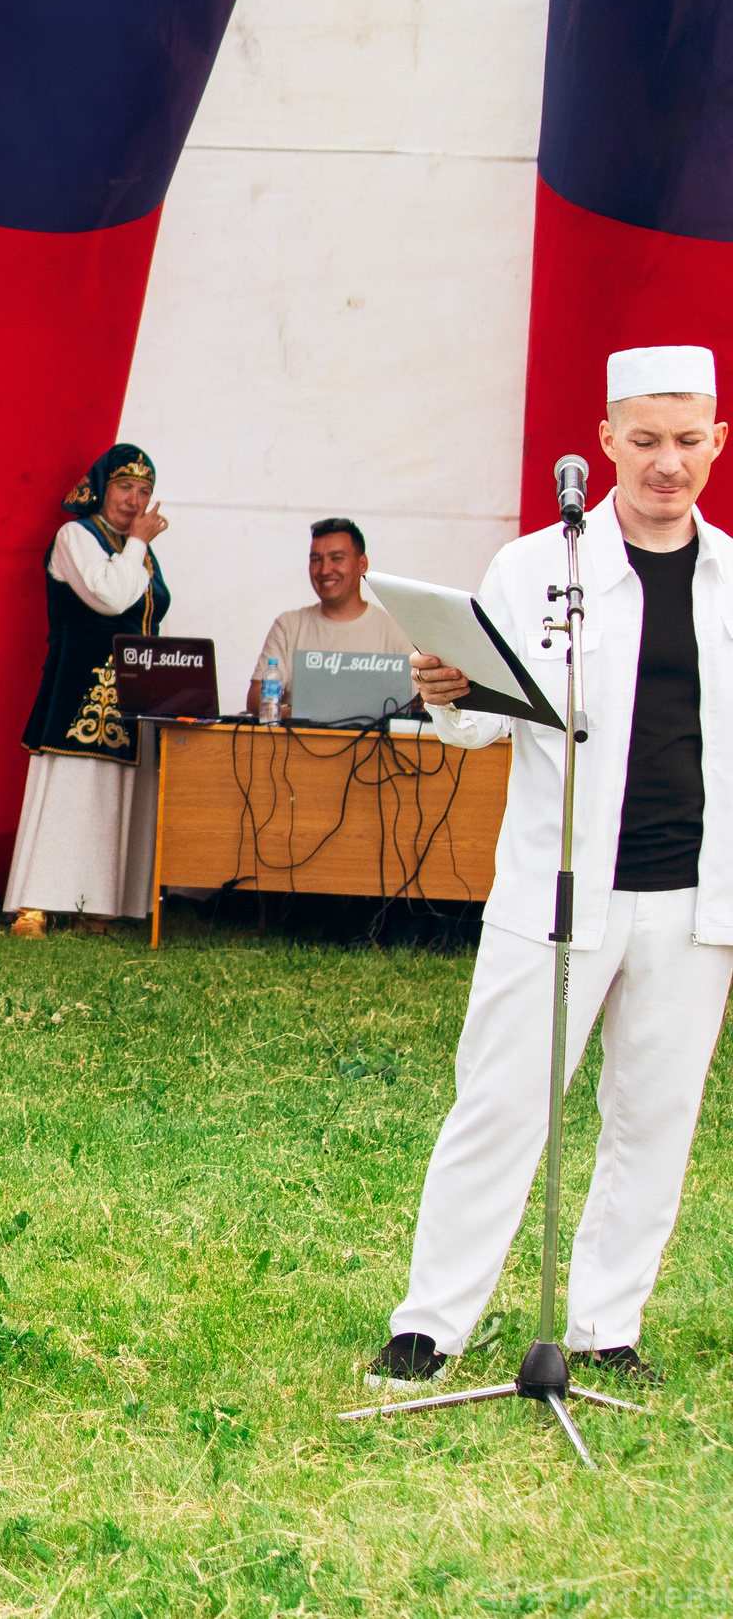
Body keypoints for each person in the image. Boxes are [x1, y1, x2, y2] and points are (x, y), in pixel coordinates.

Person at [371, 344, 732, 1390]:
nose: (666, 464)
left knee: (654, 1116)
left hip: (693, 900)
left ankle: (605, 1325)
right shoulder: (537, 567)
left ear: (717, 443)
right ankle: (429, 1324)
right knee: (498, 1101)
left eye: (686, 442)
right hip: (556, 888)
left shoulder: (727, 577)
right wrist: (445, 687)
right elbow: (475, 728)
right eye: (646, 441)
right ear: (608, 440)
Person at [4, 445, 169, 937]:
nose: (134, 501)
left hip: (130, 696)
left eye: (144, 491)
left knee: (114, 796)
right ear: (100, 487)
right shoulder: (75, 536)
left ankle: (97, 905)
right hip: (79, 689)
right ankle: (35, 903)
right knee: (68, 791)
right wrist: (137, 544)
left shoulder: (139, 549)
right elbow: (110, 595)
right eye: (124, 487)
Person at [247, 517, 416, 717]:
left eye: (336, 558)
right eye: (316, 560)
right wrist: (295, 714)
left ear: (362, 564)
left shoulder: (396, 629)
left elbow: (423, 701)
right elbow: (256, 697)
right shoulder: (288, 626)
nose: (325, 570)